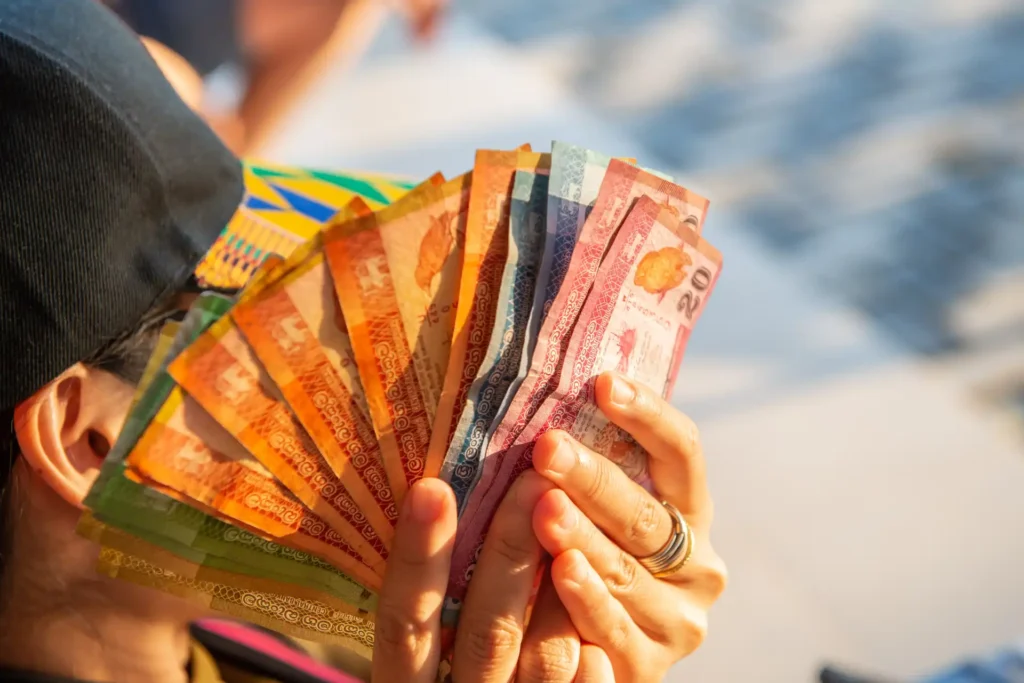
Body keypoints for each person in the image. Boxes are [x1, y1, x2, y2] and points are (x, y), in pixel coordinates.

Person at [0, 2, 726, 682]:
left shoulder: (349, 631)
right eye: (251, 298)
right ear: (91, 441)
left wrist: (602, 622)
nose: (329, 314)